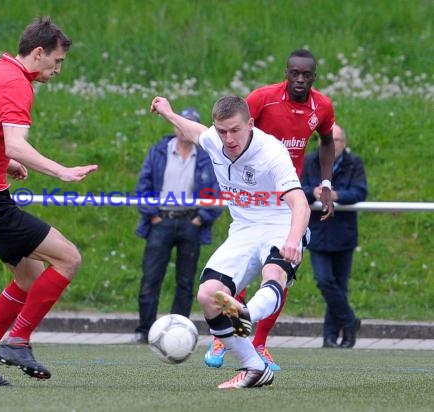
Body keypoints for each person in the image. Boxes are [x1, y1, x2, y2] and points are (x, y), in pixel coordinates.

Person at [0, 17, 98, 386]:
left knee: (30, 276)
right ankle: (17, 341)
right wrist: (61, 171)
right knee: (68, 258)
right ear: (38, 53)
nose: (58, 70)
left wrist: (6, 162)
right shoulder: (17, 83)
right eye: (57, 61)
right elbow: (14, 140)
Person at [150, 95, 311, 389]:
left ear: (250, 124)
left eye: (235, 130)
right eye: (222, 131)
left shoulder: (271, 153)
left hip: (281, 223)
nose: (228, 138)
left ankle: (247, 313)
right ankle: (254, 367)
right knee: (207, 295)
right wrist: (168, 112)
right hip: (244, 228)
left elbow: (300, 204)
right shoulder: (214, 139)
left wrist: (293, 239)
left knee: (273, 273)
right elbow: (194, 130)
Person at [204, 48, 336, 370]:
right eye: (295, 73)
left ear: (314, 77)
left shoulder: (323, 106)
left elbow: (327, 140)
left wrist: (327, 183)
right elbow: (230, 128)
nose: (300, 80)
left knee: (278, 270)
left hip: (288, 192)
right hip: (257, 192)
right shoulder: (263, 98)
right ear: (286, 73)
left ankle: (258, 342)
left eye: (307, 75)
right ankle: (227, 334)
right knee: (245, 262)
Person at [132, 108, 223, 344]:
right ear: (175, 126)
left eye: (190, 125)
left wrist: (201, 218)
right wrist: (153, 216)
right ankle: (144, 330)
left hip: (190, 222)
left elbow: (216, 192)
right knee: (151, 277)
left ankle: (178, 331)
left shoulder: (205, 157)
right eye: (182, 124)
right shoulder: (159, 152)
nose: (184, 129)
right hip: (161, 220)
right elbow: (143, 187)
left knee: (186, 281)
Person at [301, 124, 367, 348]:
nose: (330, 144)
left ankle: (332, 336)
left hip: (344, 232)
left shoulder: (353, 163)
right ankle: (350, 321)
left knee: (340, 285)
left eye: (336, 140)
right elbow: (298, 188)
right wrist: (313, 192)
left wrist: (337, 195)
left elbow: (360, 191)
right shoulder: (310, 161)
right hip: (318, 231)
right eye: (326, 140)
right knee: (324, 280)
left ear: (344, 143)